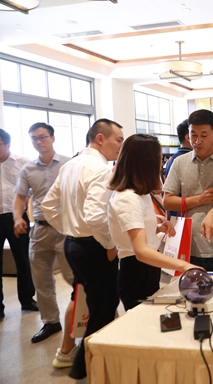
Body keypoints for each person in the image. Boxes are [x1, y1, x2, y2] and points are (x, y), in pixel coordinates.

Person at [41, 118, 124, 380]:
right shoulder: (100, 169)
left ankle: (83, 355)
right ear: (100, 138)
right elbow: (96, 217)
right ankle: (83, 366)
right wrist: (110, 244)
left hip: (73, 244)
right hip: (94, 247)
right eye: (118, 140)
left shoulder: (70, 164)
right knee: (102, 307)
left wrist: (68, 228)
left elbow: (47, 205)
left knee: (86, 299)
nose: (120, 146)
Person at [108, 134, 200, 310]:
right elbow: (141, 251)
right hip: (136, 271)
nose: (161, 164)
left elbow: (133, 231)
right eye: (159, 159)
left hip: (145, 269)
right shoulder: (128, 198)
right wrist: (184, 266)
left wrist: (156, 228)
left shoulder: (138, 194)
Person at [13, 123, 78, 368]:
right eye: (34, 138)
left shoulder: (69, 164)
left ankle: (85, 315)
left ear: (53, 138)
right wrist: (17, 218)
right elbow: (20, 197)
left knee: (74, 277)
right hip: (39, 229)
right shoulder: (28, 168)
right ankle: (51, 322)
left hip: (65, 229)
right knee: (41, 279)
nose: (39, 142)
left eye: (43, 137)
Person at [163, 110, 213, 272]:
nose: (197, 141)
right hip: (188, 247)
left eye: (203, 135)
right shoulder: (179, 162)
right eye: (193, 135)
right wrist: (200, 199)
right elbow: (167, 201)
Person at [0, 129, 37, 320]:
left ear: (7, 145)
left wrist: (27, 199)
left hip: (17, 218)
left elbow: (33, 185)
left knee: (23, 259)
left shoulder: (22, 162)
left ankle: (27, 300)